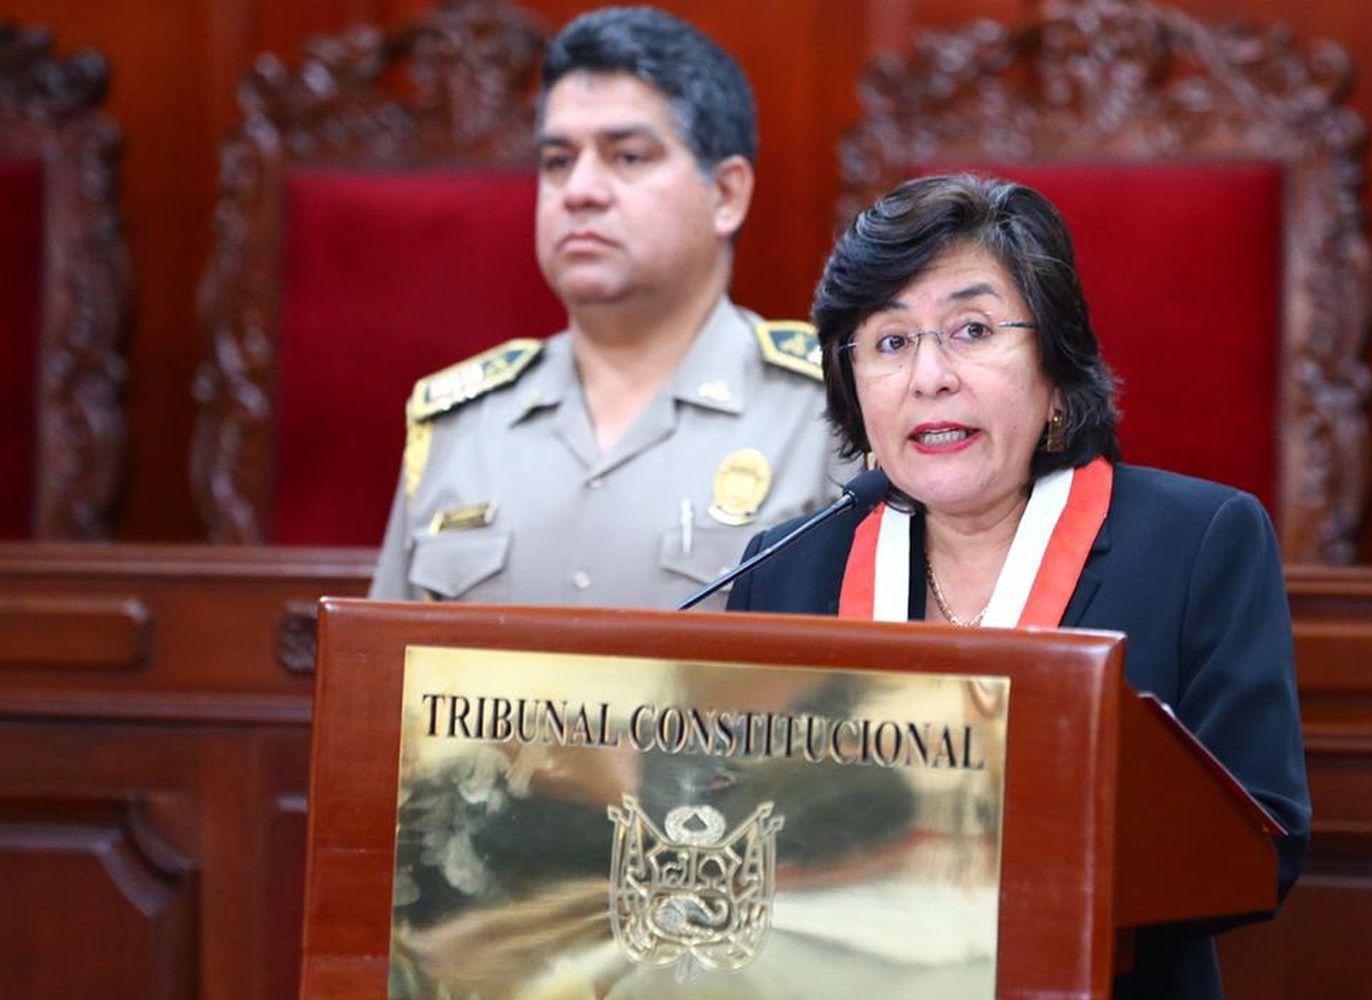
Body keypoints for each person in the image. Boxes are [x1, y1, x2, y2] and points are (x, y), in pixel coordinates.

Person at [726, 174, 1310, 999]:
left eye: (971, 329)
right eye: (890, 342)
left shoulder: (1197, 545)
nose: (929, 376)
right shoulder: (783, 569)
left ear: (1056, 365)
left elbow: (1264, 843)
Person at [370, 7, 846, 608]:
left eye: (627, 156)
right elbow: (383, 681)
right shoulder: (460, 426)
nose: (580, 191)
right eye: (557, 162)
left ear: (726, 194)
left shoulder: (828, 414)